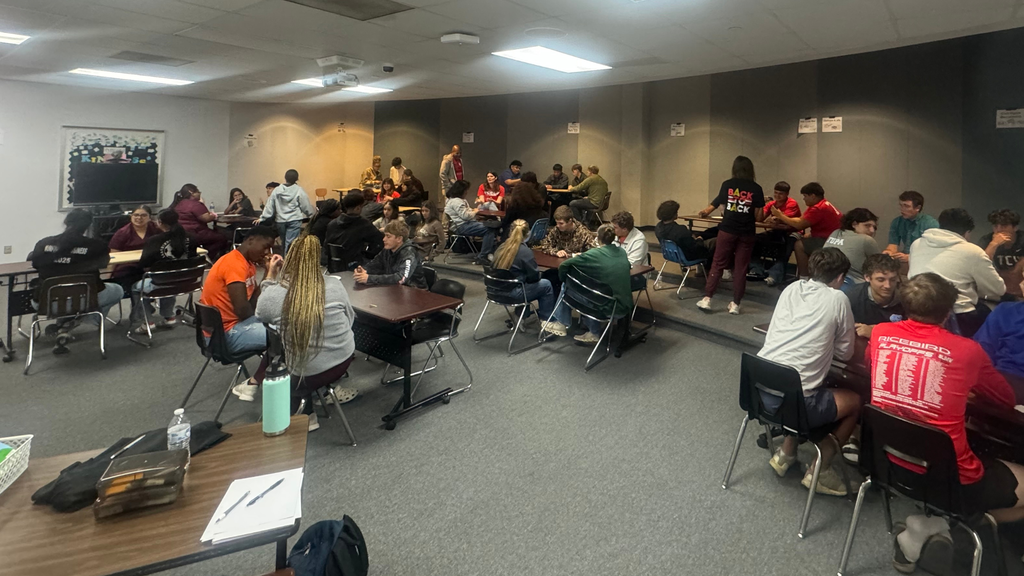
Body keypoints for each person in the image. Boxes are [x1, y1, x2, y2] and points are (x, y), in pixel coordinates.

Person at [869, 273, 1024, 569]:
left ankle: (933, 524)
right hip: (951, 478)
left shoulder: (880, 333)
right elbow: (1004, 397)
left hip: (887, 461)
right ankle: (952, 522)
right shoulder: (967, 351)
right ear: (948, 312)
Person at [758, 248, 859, 497]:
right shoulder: (838, 299)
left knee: (811, 383)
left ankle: (786, 454)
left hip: (760, 391)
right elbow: (846, 353)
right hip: (795, 404)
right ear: (840, 278)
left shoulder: (791, 288)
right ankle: (821, 469)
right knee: (855, 401)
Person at [254, 234, 359, 429]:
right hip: (343, 360)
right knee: (297, 350)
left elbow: (261, 314)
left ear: (289, 259)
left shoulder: (276, 295)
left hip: (307, 374)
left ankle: (307, 414)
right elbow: (349, 319)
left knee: (281, 351)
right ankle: (321, 394)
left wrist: (270, 276)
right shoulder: (335, 285)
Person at [199, 225, 278, 400]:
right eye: (265, 246)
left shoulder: (246, 263)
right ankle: (255, 383)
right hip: (224, 335)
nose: (267, 252)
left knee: (285, 328)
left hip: (234, 326)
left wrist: (268, 274)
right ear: (250, 240)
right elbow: (244, 311)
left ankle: (257, 382)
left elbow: (254, 305)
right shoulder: (234, 264)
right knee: (288, 337)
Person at [31, 209, 124, 352]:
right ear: (88, 226)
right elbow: (103, 264)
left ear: (66, 222)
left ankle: (66, 322)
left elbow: (35, 264)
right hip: (86, 299)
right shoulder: (97, 246)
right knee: (117, 290)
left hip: (46, 303)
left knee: (64, 295)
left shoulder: (43, 243)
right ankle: (82, 320)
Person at [908, 208, 1005, 337]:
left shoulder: (917, 244)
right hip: (958, 317)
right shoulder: (971, 251)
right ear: (966, 232)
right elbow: (998, 290)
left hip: (916, 310)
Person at [696, 156, 766, 315]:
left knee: (718, 263)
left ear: (734, 168)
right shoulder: (756, 188)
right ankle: (735, 304)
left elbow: (717, 202)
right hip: (747, 233)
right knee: (741, 268)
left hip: (727, 229)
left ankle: (707, 299)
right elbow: (759, 217)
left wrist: (706, 211)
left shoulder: (727, 185)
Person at [548, 224, 632, 345]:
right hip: (624, 305)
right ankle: (590, 330)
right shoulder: (622, 252)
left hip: (607, 307)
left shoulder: (594, 254)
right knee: (594, 290)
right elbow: (628, 267)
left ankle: (562, 323)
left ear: (598, 238)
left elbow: (564, 265)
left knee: (566, 285)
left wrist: (563, 279)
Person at [492, 219, 564, 336]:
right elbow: (534, 277)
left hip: (495, 291)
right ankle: (547, 321)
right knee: (546, 284)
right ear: (527, 234)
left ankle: (521, 316)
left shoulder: (500, 247)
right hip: (514, 293)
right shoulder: (525, 252)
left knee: (524, 283)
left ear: (510, 231)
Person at [134, 209, 198, 331]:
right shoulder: (191, 238)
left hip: (162, 283)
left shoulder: (154, 241)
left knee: (137, 286)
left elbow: (143, 265)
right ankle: (169, 317)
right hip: (187, 282)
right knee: (167, 279)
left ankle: (148, 321)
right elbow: (192, 258)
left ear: (160, 222)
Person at [769, 182, 842, 278]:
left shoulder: (818, 208)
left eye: (805, 196)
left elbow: (799, 224)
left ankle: (803, 277)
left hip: (830, 240)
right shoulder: (823, 204)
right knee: (804, 238)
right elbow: (802, 219)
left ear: (812, 196)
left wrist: (780, 216)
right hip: (835, 237)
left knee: (799, 245)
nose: (803, 199)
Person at [975, 278, 1024, 401]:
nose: (1020, 284)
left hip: (1002, 383)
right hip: (1002, 382)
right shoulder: (1006, 310)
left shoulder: (1006, 311)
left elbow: (981, 352)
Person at [353, 220, 427, 289]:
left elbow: (401, 278)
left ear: (399, 239)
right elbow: (375, 264)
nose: (384, 239)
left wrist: (369, 278)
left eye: (388, 236)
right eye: (384, 235)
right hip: (395, 290)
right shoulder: (387, 250)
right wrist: (363, 271)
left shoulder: (409, 253)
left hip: (416, 292)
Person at [846, 253, 904, 338]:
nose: (888, 285)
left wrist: (876, 331)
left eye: (893, 280)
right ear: (867, 277)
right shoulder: (851, 297)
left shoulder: (908, 297)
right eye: (881, 280)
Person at [755, 181, 801, 286]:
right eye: (775, 193)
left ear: (786, 194)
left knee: (784, 248)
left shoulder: (792, 203)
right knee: (754, 241)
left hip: (793, 232)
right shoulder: (772, 204)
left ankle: (774, 275)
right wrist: (761, 204)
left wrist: (776, 217)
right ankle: (756, 270)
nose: (777, 196)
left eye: (780, 193)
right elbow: (760, 218)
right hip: (777, 231)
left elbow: (782, 219)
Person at [323, 192, 384, 270]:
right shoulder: (363, 224)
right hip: (354, 264)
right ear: (357, 208)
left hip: (333, 264)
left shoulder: (332, 224)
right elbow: (379, 240)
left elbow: (326, 247)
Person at [260, 169, 314, 254]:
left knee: (284, 242)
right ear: (297, 179)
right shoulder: (299, 190)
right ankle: (288, 263)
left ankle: (284, 261)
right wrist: (311, 215)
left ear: (285, 178)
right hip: (294, 219)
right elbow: (305, 205)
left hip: (280, 221)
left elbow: (270, 205)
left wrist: (263, 217)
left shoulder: (277, 190)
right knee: (291, 243)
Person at [825, 208, 881, 288]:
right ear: (854, 224)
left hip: (825, 279)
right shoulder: (866, 240)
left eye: (874, 227)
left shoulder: (836, 232)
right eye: (867, 225)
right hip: (852, 284)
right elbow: (882, 266)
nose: (872, 230)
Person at [170, 183, 229, 259]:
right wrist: (213, 216)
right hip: (196, 233)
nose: (199, 194)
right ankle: (206, 259)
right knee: (221, 238)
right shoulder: (195, 204)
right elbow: (206, 218)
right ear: (192, 193)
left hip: (183, 233)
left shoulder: (179, 203)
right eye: (198, 192)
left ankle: (202, 257)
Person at [444, 180, 496, 265]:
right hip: (461, 226)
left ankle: (486, 254)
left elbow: (464, 213)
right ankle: (483, 256)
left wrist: (472, 211)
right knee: (490, 229)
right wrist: (475, 211)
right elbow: (466, 216)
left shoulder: (452, 200)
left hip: (462, 225)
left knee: (491, 226)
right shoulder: (457, 201)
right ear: (462, 190)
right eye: (466, 190)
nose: (467, 192)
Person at [108, 205, 160, 287]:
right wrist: (109, 277)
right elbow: (114, 256)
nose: (139, 218)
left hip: (149, 264)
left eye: (143, 215)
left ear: (150, 217)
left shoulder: (156, 229)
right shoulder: (122, 232)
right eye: (136, 215)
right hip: (128, 266)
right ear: (131, 216)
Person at [977, 208, 1024, 299]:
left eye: (1004, 226)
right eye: (995, 226)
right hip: (998, 291)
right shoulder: (987, 240)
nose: (998, 230)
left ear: (1015, 228)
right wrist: (993, 245)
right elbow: (980, 266)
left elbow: (1016, 273)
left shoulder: (1022, 239)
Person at [884, 190, 939, 264]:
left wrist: (911, 257)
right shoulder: (897, 222)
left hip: (925, 261)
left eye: (906, 206)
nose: (902, 209)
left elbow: (934, 250)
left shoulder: (930, 223)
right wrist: (889, 252)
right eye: (901, 205)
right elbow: (893, 244)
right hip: (906, 259)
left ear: (918, 208)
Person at [654, 200, 711, 265]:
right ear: (673, 214)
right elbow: (694, 248)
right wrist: (699, 240)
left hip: (671, 255)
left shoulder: (658, 227)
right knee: (713, 243)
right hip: (688, 256)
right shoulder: (680, 230)